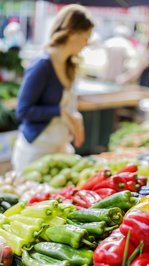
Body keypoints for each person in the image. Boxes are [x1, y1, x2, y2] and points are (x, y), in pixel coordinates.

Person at [11, 4, 94, 171]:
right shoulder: (41, 64)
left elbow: (67, 105)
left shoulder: (69, 64)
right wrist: (60, 112)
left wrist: (75, 118)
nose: (87, 44)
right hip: (35, 152)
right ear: (72, 33)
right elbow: (23, 110)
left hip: (59, 149)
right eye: (85, 38)